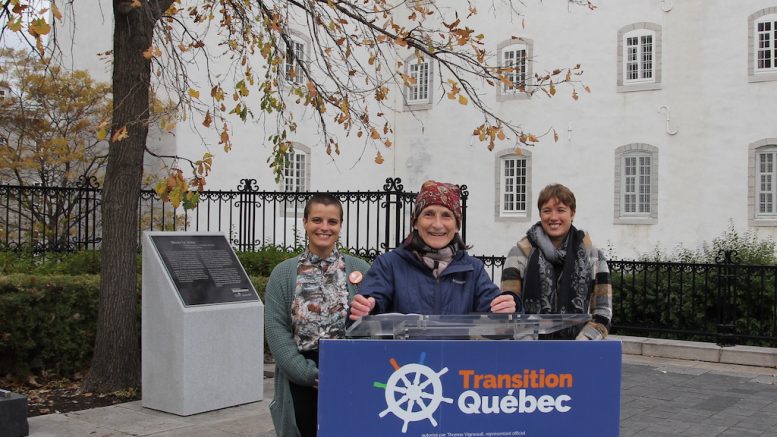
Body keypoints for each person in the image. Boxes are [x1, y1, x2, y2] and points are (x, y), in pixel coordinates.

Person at [264, 193, 370, 437]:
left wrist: (347, 369)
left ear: (340, 225)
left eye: (332, 222)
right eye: (317, 220)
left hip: (349, 375)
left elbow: (373, 325)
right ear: (305, 222)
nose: (324, 227)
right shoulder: (283, 274)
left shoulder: (361, 271)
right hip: (301, 375)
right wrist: (305, 373)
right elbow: (276, 328)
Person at [349, 180, 516, 318]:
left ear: (457, 225)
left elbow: (497, 317)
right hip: (403, 359)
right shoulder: (389, 264)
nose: (437, 225)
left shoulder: (473, 269)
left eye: (446, 216)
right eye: (428, 214)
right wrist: (365, 307)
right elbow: (370, 304)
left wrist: (509, 306)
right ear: (415, 222)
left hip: (455, 358)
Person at [501, 183, 612, 340]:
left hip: (577, 351)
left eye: (561, 210)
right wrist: (528, 346)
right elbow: (509, 310)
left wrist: (581, 345)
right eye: (547, 211)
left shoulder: (593, 256)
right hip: (529, 351)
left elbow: (603, 311)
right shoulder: (518, 254)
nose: (553, 217)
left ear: (572, 214)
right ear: (540, 214)